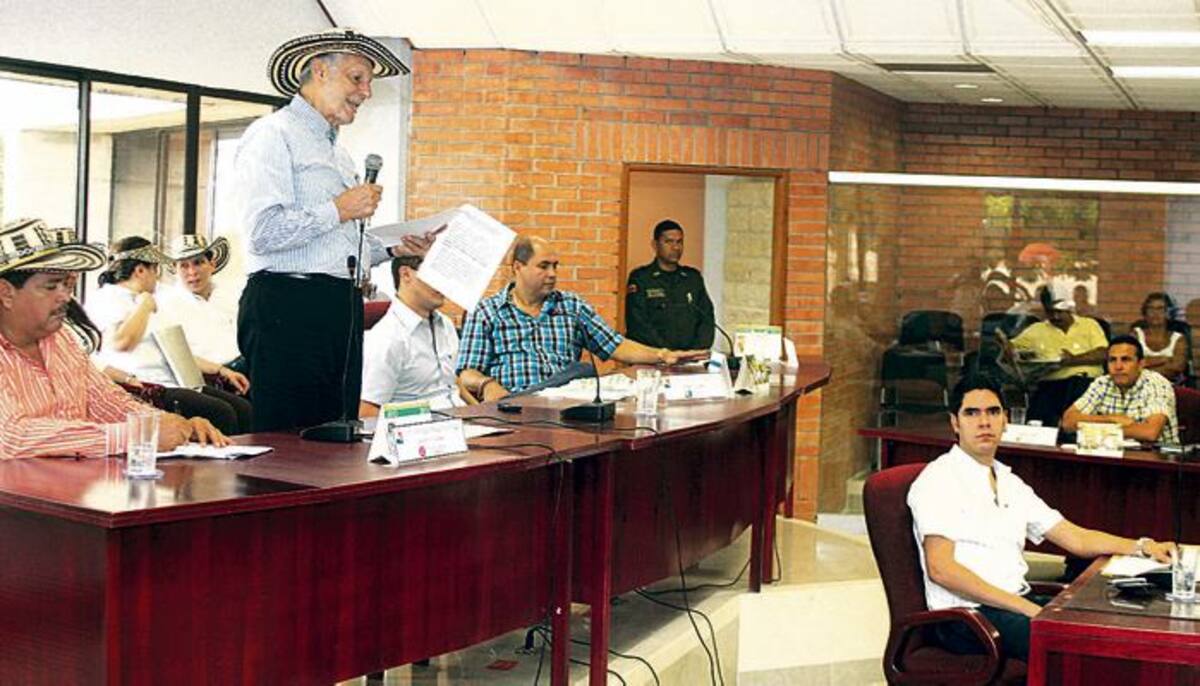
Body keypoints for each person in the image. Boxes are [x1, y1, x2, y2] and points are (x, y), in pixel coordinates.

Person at [235, 28, 430, 432]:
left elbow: (337, 247)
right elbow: (261, 233)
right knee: (288, 447)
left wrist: (395, 248)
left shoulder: (337, 153)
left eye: (370, 82)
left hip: (338, 307)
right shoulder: (272, 135)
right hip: (287, 307)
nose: (366, 92)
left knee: (336, 436)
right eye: (357, 78)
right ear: (320, 71)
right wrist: (338, 209)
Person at [908, 374, 1174, 662]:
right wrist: (1027, 609)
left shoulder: (1008, 481)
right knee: (1083, 649)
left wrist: (1144, 546)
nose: (984, 422)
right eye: (972, 413)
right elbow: (941, 569)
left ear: (1005, 420)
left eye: (993, 412)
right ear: (955, 423)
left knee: (1110, 625)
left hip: (1013, 602)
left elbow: (1074, 537)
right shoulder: (939, 479)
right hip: (967, 617)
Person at [0, 218, 226, 459]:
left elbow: (106, 401)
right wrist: (137, 434)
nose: (65, 297)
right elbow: (12, 436)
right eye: (50, 287)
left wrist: (176, 425)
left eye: (66, 286)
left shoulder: (61, 341)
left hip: (69, 485)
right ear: (6, 293)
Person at [457, 236, 709, 401]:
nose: (553, 274)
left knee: (585, 374)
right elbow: (466, 373)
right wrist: (486, 384)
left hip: (566, 407)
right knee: (581, 372)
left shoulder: (571, 306)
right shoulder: (487, 312)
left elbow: (616, 345)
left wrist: (663, 355)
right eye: (543, 266)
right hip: (515, 406)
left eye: (556, 266)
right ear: (517, 268)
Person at [88, 236, 253, 435]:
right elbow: (122, 342)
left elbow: (176, 350)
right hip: (146, 386)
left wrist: (221, 371)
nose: (157, 278)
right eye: (155, 269)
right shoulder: (109, 298)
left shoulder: (144, 299)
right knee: (222, 413)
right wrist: (145, 306)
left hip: (178, 379)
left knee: (244, 409)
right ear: (141, 270)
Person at [359, 255, 461, 416]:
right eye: (436, 273)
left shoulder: (446, 325)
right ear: (406, 274)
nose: (444, 283)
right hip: (419, 432)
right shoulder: (386, 337)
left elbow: (452, 387)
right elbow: (367, 412)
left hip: (463, 420)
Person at [1004, 284, 1108, 425]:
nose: (1055, 316)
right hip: (1051, 385)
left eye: (1059, 312)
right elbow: (1010, 347)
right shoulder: (1037, 330)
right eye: (1050, 312)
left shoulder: (1089, 325)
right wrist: (1009, 351)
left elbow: (1103, 353)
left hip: (1086, 385)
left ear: (1068, 308)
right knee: (1038, 417)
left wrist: (1073, 360)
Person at [1062, 335, 1179, 444]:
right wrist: (1112, 419)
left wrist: (1093, 429)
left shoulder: (1156, 384)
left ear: (1141, 364)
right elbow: (1068, 422)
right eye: (1112, 360)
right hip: (1112, 455)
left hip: (1156, 459)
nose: (1118, 367)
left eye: (1126, 360)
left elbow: (1150, 432)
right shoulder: (1102, 383)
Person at [624, 219, 715, 350]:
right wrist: (667, 354)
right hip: (652, 358)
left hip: (689, 359)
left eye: (679, 242)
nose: (676, 247)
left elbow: (707, 319)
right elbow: (638, 324)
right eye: (669, 242)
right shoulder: (641, 278)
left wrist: (694, 352)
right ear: (655, 245)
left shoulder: (692, 278)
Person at [156, 234, 242, 369]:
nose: (192, 272)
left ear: (212, 264)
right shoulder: (166, 304)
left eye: (198, 263)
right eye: (184, 266)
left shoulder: (232, 294)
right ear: (175, 270)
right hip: (205, 376)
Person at [1131, 292, 1189, 384]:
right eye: (1151, 309)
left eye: (1160, 309)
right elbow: (1130, 364)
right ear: (1145, 312)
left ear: (1168, 313)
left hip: (1169, 386)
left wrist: (1145, 364)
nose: (1155, 313)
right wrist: (1164, 360)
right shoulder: (1136, 334)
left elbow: (1177, 368)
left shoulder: (1178, 338)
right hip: (1138, 385)